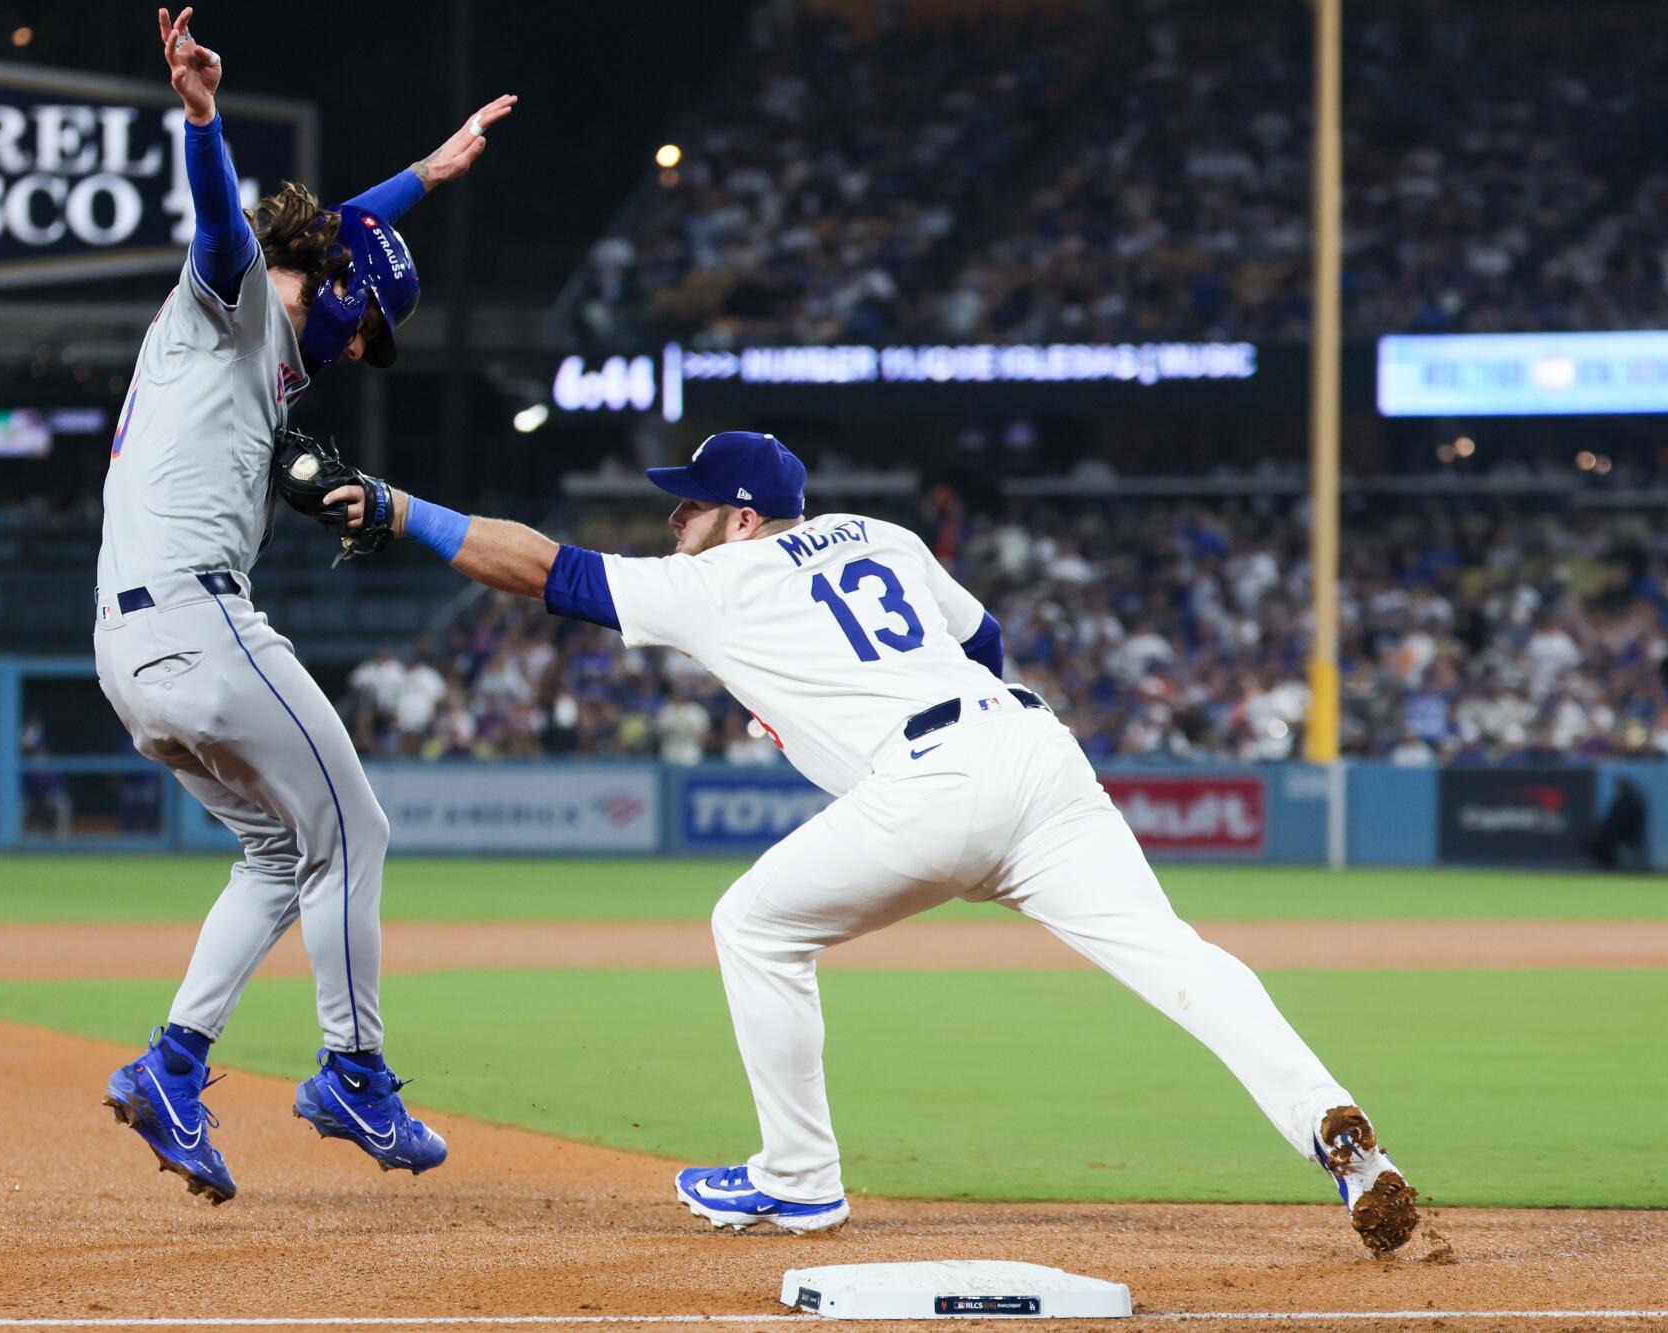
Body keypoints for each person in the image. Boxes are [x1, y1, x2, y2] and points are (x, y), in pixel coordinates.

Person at [323, 430, 1421, 1255]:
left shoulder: (723, 576)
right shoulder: (885, 537)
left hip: (934, 778)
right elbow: (980, 636)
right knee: (1176, 955)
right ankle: (1344, 1142)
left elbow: (542, 571)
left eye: (690, 505)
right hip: (1036, 751)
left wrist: (395, 505)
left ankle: (798, 1176)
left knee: (751, 926)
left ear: (743, 517)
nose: (675, 522)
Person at [93, 5, 515, 1205]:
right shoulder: (226, 304)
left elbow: (346, 233)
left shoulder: (266, 348)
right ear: (328, 287)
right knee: (359, 831)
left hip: (131, 649)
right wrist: (202, 120)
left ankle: (172, 1064)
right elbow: (230, 225)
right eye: (362, 318)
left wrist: (427, 174)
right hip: (193, 618)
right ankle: (352, 1071)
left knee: (283, 849)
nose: (357, 341)